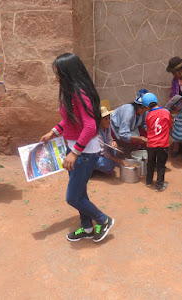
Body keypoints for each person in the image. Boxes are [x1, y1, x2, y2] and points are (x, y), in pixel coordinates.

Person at [40, 53, 114, 243]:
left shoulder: (80, 93)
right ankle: (87, 228)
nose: (56, 77)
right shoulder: (70, 92)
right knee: (80, 193)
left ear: (67, 73)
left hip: (84, 153)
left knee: (72, 197)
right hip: (75, 150)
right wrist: (53, 132)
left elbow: (90, 125)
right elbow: (69, 120)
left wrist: (74, 153)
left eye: (58, 73)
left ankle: (103, 220)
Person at [143, 93, 172, 192]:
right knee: (160, 165)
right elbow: (169, 126)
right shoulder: (166, 112)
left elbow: (149, 127)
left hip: (151, 144)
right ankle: (159, 186)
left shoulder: (148, 116)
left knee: (150, 163)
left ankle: (148, 181)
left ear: (147, 107)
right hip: (163, 144)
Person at [110, 89, 149, 157]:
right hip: (117, 128)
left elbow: (144, 124)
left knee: (146, 135)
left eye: (145, 108)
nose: (143, 110)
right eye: (141, 108)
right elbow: (123, 133)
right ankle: (127, 151)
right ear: (136, 105)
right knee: (135, 140)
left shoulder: (144, 112)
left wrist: (147, 130)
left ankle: (139, 150)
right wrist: (138, 138)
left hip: (131, 127)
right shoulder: (129, 112)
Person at [94, 106, 127, 174]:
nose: (108, 121)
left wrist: (113, 142)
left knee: (115, 152)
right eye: (105, 119)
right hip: (95, 154)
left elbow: (109, 139)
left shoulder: (107, 127)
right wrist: (120, 161)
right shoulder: (96, 132)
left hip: (103, 150)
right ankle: (92, 168)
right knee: (108, 165)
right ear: (100, 121)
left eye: (109, 118)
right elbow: (102, 152)